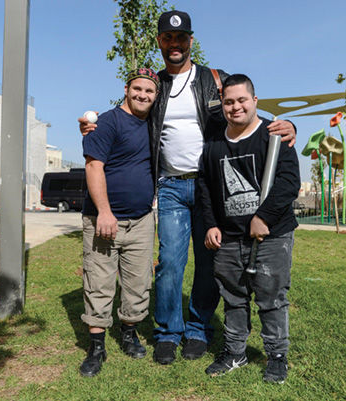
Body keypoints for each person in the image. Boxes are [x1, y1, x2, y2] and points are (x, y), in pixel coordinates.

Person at [78, 10, 297, 365]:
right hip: (170, 187)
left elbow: (243, 111)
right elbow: (129, 113)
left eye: (181, 38)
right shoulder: (156, 85)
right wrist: (93, 126)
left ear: (191, 41)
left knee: (210, 261)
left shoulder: (214, 79)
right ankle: (167, 333)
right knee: (169, 263)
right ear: (160, 43)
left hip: (212, 186)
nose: (174, 44)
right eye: (167, 38)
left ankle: (197, 329)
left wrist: (285, 128)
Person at [197, 74, 300, 383]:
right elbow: (206, 185)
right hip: (228, 237)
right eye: (229, 102)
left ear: (255, 101)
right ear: (222, 105)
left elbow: (289, 182)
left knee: (271, 297)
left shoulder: (275, 136)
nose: (235, 107)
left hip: (272, 234)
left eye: (242, 100)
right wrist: (211, 224)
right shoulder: (214, 142)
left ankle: (277, 356)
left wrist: (264, 217)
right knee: (233, 298)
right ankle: (235, 352)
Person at [79, 68, 159, 377]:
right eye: (137, 88)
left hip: (141, 221)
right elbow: (93, 166)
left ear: (155, 96)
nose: (142, 95)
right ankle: (97, 346)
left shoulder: (153, 124)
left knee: (138, 284)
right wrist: (105, 211)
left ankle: (129, 333)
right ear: (126, 89)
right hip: (103, 218)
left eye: (149, 91)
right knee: (99, 283)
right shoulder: (108, 122)